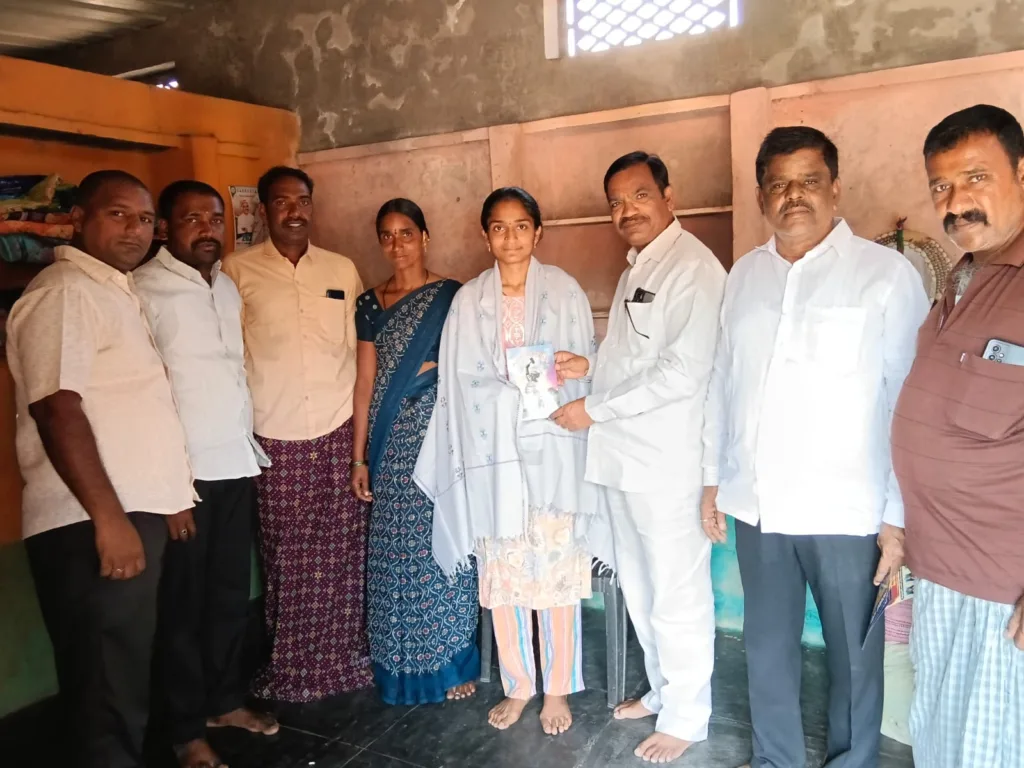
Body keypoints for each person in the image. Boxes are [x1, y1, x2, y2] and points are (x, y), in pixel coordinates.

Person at [700, 126, 930, 768]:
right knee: (767, 648)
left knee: (854, 655)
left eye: (808, 181)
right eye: (778, 184)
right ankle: (775, 759)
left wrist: (896, 517)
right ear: (761, 197)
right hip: (759, 505)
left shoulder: (884, 276)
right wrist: (712, 477)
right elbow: (723, 381)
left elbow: (907, 399)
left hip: (848, 510)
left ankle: (852, 761)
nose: (793, 195)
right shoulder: (745, 276)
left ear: (835, 188)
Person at [6, 170, 195, 768]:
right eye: (118, 214)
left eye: (144, 219)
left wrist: (169, 497)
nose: (135, 229)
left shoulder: (112, 290)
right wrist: (110, 521)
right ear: (77, 220)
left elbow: (131, 408)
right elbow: (56, 409)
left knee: (124, 677)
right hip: (90, 520)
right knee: (104, 690)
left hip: (128, 511)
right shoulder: (65, 292)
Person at [416, 187, 615, 736]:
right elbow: (459, 382)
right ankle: (519, 684)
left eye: (521, 226)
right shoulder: (469, 301)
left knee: (555, 570)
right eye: (499, 227)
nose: (511, 237)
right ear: (485, 236)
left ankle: (557, 687)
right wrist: (508, 396)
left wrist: (567, 375)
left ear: (538, 232)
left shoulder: (565, 291)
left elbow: (586, 367)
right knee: (503, 572)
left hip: (553, 450)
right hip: (493, 454)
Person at [552, 152, 725, 763]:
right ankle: (663, 690)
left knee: (677, 592)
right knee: (642, 587)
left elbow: (682, 372)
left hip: (666, 464)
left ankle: (688, 716)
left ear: (668, 197)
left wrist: (594, 409)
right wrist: (591, 365)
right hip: (626, 460)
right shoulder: (639, 266)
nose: (627, 210)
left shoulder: (694, 268)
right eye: (616, 202)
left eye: (640, 195)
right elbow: (636, 358)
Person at [893, 104, 1024, 768]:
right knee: (943, 743)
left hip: (1002, 589)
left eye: (976, 178)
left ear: (1022, 174)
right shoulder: (962, 280)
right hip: (942, 573)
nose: (955, 201)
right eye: (941, 186)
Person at [133, 180, 278, 768]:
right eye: (192, 219)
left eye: (214, 218)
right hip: (183, 478)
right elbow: (145, 396)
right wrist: (169, 487)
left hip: (234, 464)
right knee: (182, 608)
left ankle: (223, 702)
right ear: (165, 228)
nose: (207, 228)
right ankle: (185, 728)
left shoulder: (224, 286)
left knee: (226, 597)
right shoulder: (144, 290)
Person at [222, 166, 373, 702]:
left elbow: (360, 353)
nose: (294, 211)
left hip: (338, 432)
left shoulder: (340, 269)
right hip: (274, 436)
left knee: (344, 552)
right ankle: (292, 669)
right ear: (263, 210)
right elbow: (228, 358)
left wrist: (361, 446)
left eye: (302, 201)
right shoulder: (235, 271)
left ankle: (347, 660)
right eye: (282, 202)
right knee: (285, 557)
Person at [350, 198, 479, 706]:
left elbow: (469, 364)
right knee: (392, 552)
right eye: (387, 235)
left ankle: (451, 661)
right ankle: (397, 663)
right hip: (388, 441)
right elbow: (365, 382)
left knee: (441, 540)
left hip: (437, 436)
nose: (397, 244)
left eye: (406, 233)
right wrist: (359, 457)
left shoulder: (453, 297)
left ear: (425, 237)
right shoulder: (369, 304)